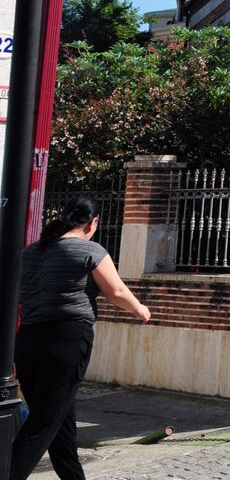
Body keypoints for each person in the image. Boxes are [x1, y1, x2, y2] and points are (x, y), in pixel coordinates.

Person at [10, 197, 150, 480]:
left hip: (27, 340)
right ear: (93, 222)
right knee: (43, 422)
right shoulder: (90, 250)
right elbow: (117, 292)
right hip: (66, 341)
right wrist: (141, 309)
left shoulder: (32, 251)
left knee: (59, 422)